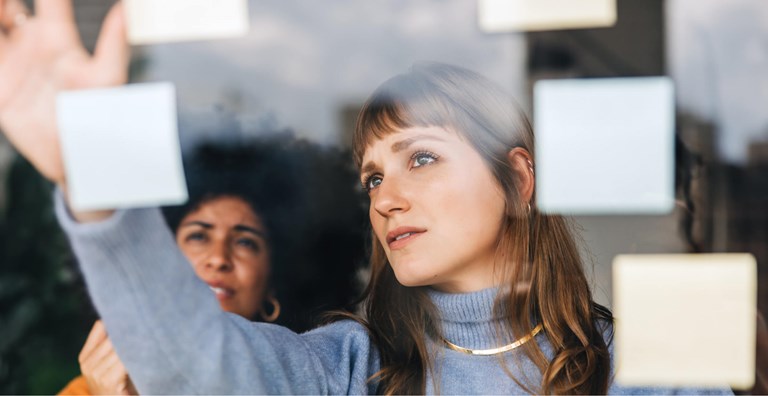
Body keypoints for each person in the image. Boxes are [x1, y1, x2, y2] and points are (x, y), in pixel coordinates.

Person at [0, 1, 733, 394]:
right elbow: (196, 366)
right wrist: (91, 184)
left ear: (517, 180)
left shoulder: (642, 372)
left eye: (421, 157)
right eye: (374, 177)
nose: (386, 199)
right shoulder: (349, 368)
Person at [58, 137, 367, 395]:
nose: (219, 257)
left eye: (245, 242)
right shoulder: (86, 390)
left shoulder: (315, 381)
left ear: (273, 286)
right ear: (159, 260)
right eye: (198, 236)